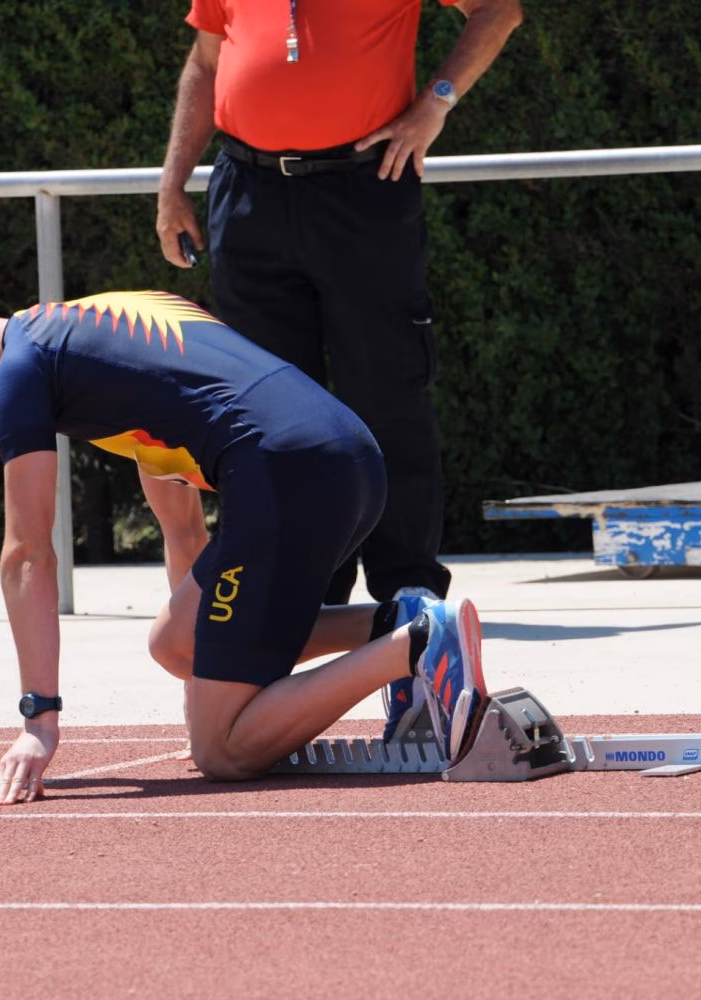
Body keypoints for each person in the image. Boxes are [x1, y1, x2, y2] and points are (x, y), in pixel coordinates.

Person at [0, 289, 489, 805]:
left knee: (223, 751)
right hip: (353, 458)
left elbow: (27, 552)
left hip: (288, 478)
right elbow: (185, 533)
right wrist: (208, 676)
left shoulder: (21, 372)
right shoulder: (106, 326)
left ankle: (416, 645)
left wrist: (40, 721)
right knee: (175, 643)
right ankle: (394, 619)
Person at [155, 0, 525, 613]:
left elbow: (497, 10)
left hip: (363, 188)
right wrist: (172, 184)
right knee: (268, 409)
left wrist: (434, 104)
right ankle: (299, 587)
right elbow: (205, 62)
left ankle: (407, 591)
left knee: (387, 391)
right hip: (248, 194)